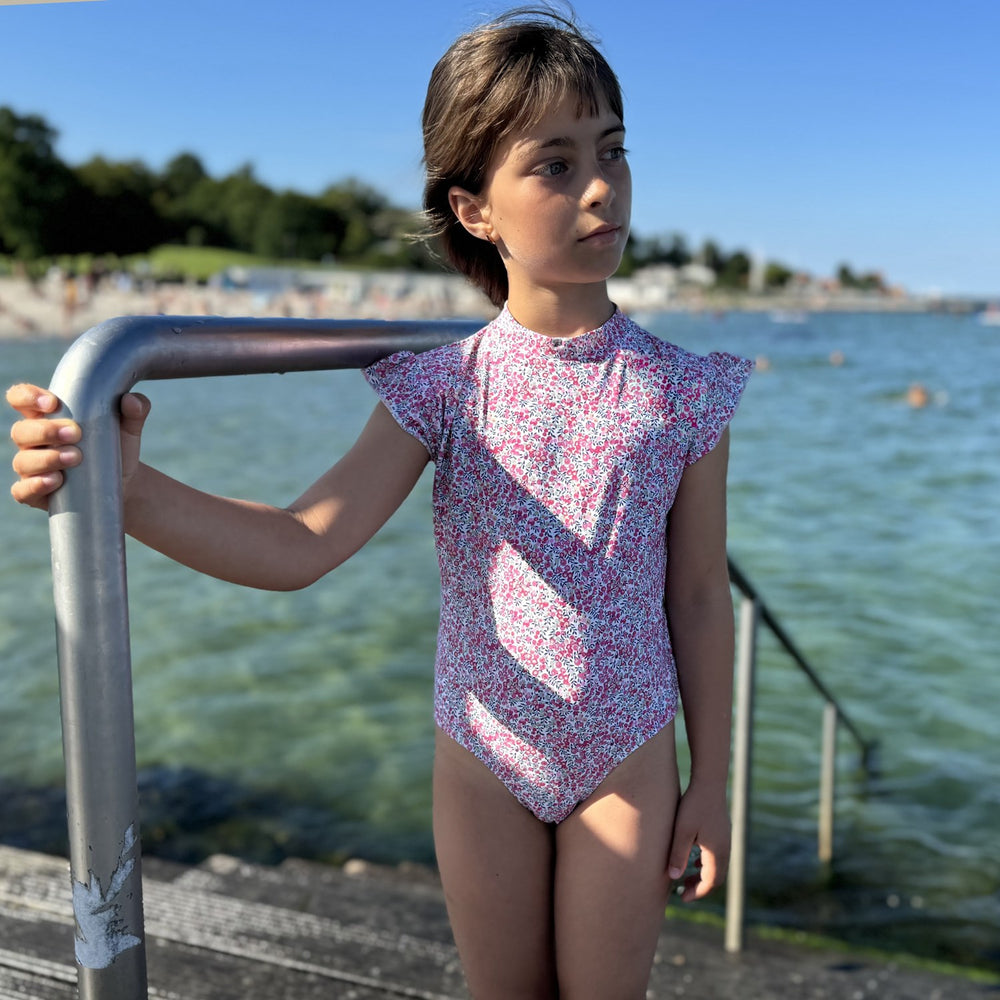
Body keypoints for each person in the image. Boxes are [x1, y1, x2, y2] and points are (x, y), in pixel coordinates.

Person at [8, 9, 752, 997]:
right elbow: (299, 542)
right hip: (484, 757)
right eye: (555, 164)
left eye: (611, 151)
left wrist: (712, 784)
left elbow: (696, 596)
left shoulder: (685, 391)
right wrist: (127, 491)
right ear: (475, 210)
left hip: (627, 756)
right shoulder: (446, 386)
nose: (600, 186)